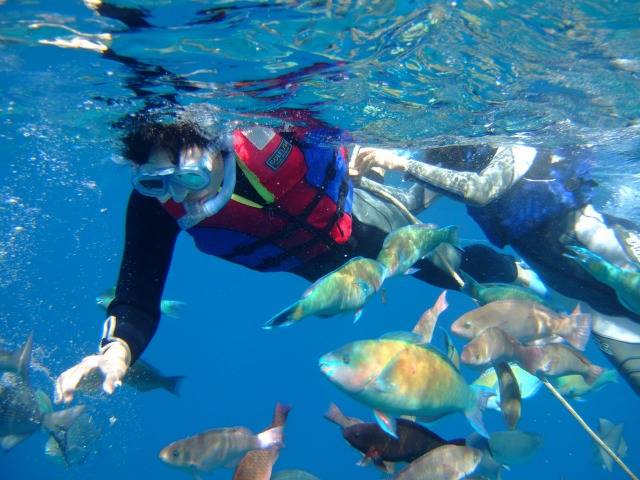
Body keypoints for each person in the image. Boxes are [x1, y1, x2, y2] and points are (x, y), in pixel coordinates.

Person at [55, 120, 533, 403]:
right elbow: (137, 294)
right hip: (328, 274)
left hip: (362, 222)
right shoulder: (156, 207)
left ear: (219, 143)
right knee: (431, 261)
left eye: (193, 174)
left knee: (452, 266)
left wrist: (370, 151)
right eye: (158, 182)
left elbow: (337, 110)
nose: (183, 194)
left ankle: (522, 273)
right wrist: (117, 348)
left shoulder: (270, 128)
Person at [352, 143, 640, 395]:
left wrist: (402, 163)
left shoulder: (512, 142)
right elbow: (408, 202)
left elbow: (481, 190)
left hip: (612, 255)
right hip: (581, 297)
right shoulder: (445, 161)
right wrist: (358, 180)